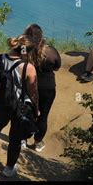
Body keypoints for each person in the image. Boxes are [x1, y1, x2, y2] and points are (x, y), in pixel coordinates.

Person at [0, 35, 39, 177]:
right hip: (19, 106)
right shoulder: (28, 67)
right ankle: (9, 168)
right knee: (15, 137)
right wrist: (36, 109)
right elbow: (33, 92)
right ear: (26, 52)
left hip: (0, 101)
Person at [24, 24, 61, 152]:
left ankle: (23, 138)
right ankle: (38, 142)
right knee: (43, 115)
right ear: (41, 36)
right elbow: (57, 66)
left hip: (29, 85)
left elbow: (20, 63)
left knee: (27, 112)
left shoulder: (24, 49)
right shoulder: (51, 51)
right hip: (48, 88)